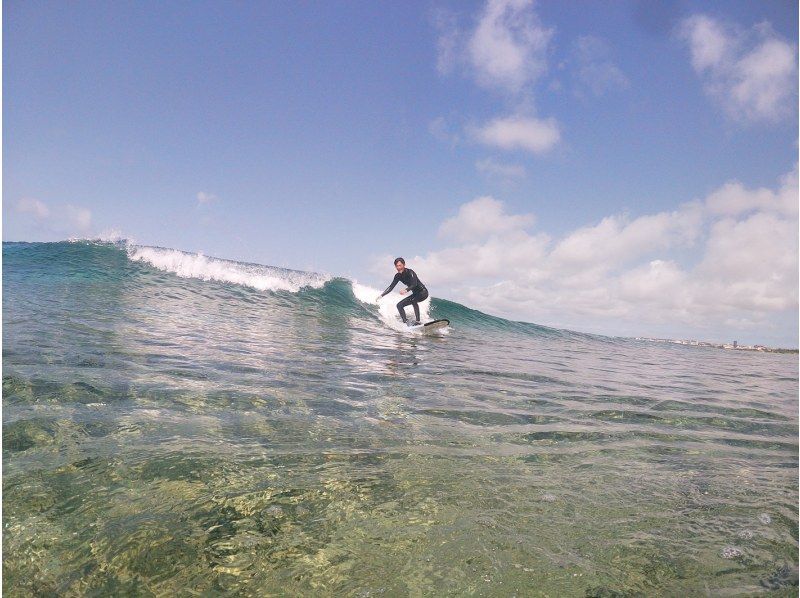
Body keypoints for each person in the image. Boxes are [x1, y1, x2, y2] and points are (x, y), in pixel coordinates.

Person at [376, 257, 429, 325]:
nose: (398, 267)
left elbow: (414, 284)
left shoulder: (410, 272)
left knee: (413, 300)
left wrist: (406, 290)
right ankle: (406, 322)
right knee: (399, 305)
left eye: (400, 265)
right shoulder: (398, 276)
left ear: (404, 265)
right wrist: (381, 295)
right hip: (415, 294)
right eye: (397, 266)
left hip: (423, 292)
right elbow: (391, 287)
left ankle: (418, 321)